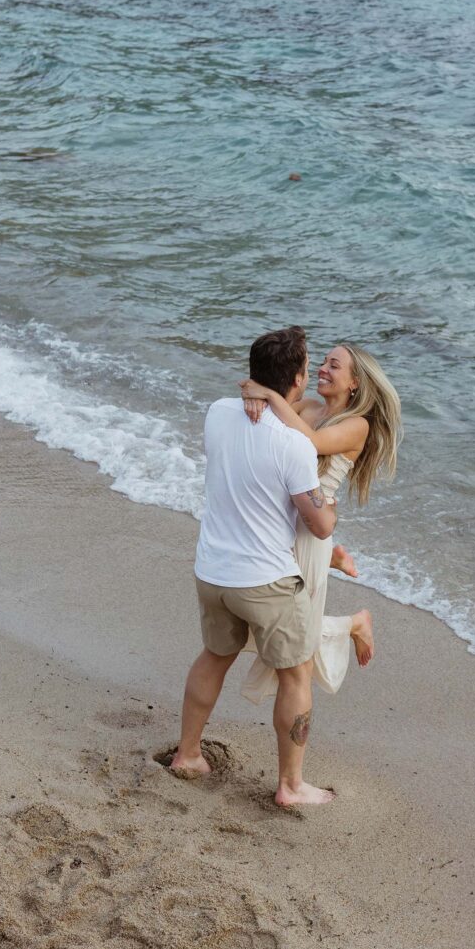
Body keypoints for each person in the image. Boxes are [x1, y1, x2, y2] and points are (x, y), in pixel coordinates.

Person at [171, 326, 338, 806]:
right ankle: (290, 785)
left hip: (212, 571)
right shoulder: (294, 445)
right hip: (265, 581)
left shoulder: (217, 413)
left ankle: (188, 754)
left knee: (214, 657)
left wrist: (257, 393)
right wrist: (330, 505)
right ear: (299, 379)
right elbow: (320, 525)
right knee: (296, 675)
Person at [239, 344, 402, 703]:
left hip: (310, 535)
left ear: (355, 383)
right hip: (278, 524)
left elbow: (309, 441)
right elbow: (266, 426)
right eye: (324, 362)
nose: (324, 370)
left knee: (294, 634)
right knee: (267, 620)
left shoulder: (355, 426)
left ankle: (355, 622)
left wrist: (264, 392)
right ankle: (344, 591)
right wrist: (255, 398)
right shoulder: (308, 408)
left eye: (334, 365)